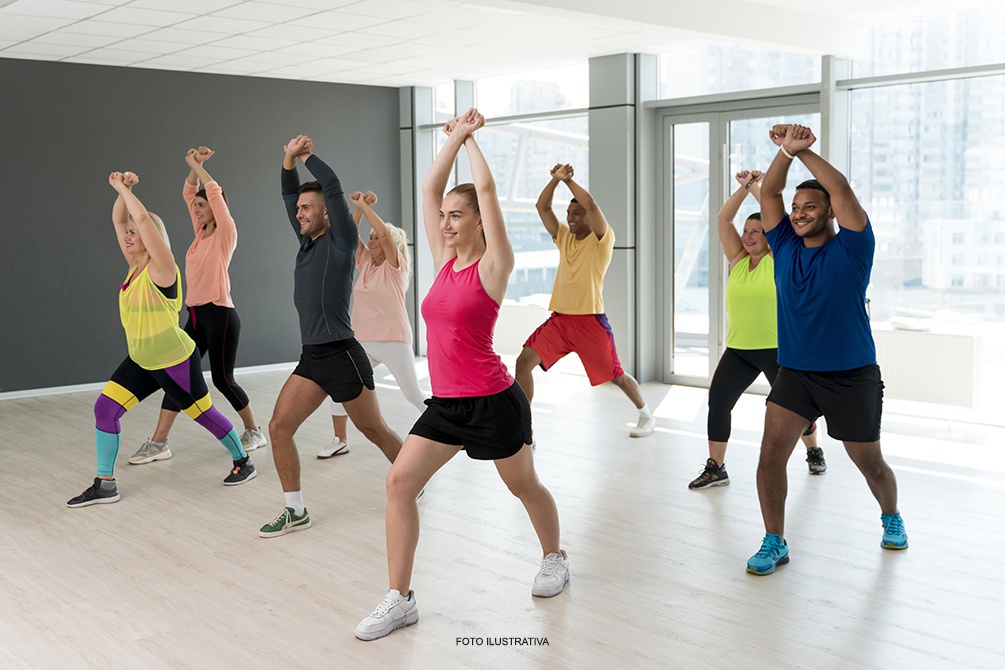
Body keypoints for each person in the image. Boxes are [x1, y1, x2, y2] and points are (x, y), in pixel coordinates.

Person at [355, 109, 568, 642]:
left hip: (494, 401)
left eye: (457, 215)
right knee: (399, 482)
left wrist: (471, 139)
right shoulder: (442, 259)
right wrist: (451, 138)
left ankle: (554, 557)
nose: (446, 223)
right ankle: (400, 599)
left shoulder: (494, 266)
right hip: (447, 404)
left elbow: (490, 190)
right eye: (445, 215)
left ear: (478, 221)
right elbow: (429, 188)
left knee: (523, 485)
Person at [745, 124, 908, 575]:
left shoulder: (854, 247)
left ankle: (891, 518)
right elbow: (771, 191)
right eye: (795, 208)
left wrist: (806, 154)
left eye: (809, 206)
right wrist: (785, 153)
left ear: (831, 212)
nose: (798, 214)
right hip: (795, 373)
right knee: (769, 456)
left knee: (869, 463)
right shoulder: (782, 245)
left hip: (851, 375)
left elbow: (842, 189)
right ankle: (774, 540)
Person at [67, 171, 256, 508]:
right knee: (105, 409)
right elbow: (120, 216)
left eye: (136, 233)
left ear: (152, 236)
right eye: (127, 233)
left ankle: (243, 461)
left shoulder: (164, 269)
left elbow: (139, 216)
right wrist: (124, 192)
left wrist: (124, 189)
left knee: (202, 414)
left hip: (174, 359)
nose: (128, 235)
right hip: (142, 359)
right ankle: (105, 483)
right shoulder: (133, 266)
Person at [259, 135, 403, 538]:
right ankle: (295, 510)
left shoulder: (340, 243)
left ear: (327, 213)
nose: (299, 213)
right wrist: (287, 158)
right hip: (312, 358)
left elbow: (333, 185)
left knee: (373, 430)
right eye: (300, 208)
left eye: (308, 208)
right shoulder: (306, 243)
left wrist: (306, 157)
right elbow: (289, 194)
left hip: (342, 355)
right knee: (278, 428)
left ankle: (414, 476)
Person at [128, 147, 266, 467]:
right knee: (178, 376)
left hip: (220, 315)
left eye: (203, 207)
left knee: (222, 379)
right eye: (198, 207)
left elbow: (211, 193)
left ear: (216, 209)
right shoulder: (200, 236)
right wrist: (192, 169)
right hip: (194, 315)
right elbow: (189, 191)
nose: (198, 209)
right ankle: (159, 442)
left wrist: (197, 166)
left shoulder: (225, 235)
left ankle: (253, 430)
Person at [689, 170, 824, 490]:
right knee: (718, 402)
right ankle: (716, 467)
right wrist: (742, 188)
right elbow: (723, 220)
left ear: (770, 235)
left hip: (778, 350)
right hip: (739, 350)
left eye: (757, 230)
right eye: (746, 230)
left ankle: (814, 449)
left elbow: (774, 213)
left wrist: (756, 189)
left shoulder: (779, 259)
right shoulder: (737, 259)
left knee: (797, 411)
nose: (749, 236)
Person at [515, 164, 654, 438]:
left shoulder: (603, 239)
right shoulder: (564, 237)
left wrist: (569, 182)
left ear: (589, 217)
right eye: (568, 213)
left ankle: (645, 414)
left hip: (590, 322)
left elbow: (589, 202)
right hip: (560, 321)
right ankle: (523, 429)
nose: (571, 217)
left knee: (617, 376)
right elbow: (542, 207)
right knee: (523, 363)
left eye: (576, 213)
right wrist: (555, 181)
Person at [322, 190, 428, 459]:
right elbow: (347, 234)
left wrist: (367, 209)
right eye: (369, 239)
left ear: (390, 243)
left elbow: (382, 233)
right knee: (339, 389)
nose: (371, 242)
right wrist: (359, 208)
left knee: (413, 394)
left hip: (393, 340)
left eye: (376, 239)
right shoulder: (366, 262)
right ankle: (339, 440)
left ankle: (449, 431)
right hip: (362, 341)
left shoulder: (396, 266)